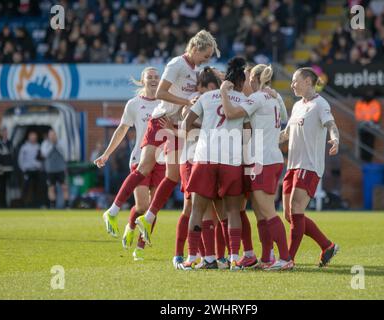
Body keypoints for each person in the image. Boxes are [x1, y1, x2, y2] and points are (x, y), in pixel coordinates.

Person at [100, 30, 220, 245]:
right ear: (194, 49)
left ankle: (148, 218)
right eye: (206, 55)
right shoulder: (177, 64)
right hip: (160, 120)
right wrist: (187, 103)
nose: (207, 59)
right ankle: (113, 210)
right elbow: (160, 94)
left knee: (172, 176)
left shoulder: (196, 69)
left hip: (173, 125)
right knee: (144, 168)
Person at [219, 64, 294, 271]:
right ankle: (267, 258)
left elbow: (231, 113)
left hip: (261, 160)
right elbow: (285, 120)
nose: (248, 81)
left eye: (250, 77)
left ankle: (285, 258)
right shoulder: (274, 98)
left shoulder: (258, 98)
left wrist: (224, 93)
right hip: (273, 158)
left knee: (267, 212)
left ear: (254, 79)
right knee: (261, 213)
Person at [179, 57, 248, 271]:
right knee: (233, 211)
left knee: (198, 210)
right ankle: (234, 259)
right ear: (240, 81)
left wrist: (206, 130)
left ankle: (194, 258)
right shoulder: (243, 100)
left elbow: (185, 124)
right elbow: (248, 131)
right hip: (231, 159)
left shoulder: (207, 97)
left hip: (205, 157)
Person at [94, 67, 166, 261]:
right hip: (140, 158)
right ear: (142, 81)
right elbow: (122, 129)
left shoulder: (166, 102)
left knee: (153, 207)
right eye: (149, 77)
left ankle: (140, 248)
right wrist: (106, 154)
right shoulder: (134, 104)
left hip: (162, 159)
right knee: (142, 206)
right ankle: (131, 225)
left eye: (156, 77)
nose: (153, 80)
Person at [280, 67, 340, 267]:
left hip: (309, 165)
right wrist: (264, 141)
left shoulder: (321, 104)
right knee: (289, 215)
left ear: (307, 81)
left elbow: (331, 125)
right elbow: (286, 134)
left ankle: (288, 259)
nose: (292, 85)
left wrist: (335, 139)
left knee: (296, 209)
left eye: (295, 81)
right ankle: (327, 245)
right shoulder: (297, 105)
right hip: (292, 166)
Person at [40, 129, 69, 209]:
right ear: (49, 136)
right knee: (51, 188)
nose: (53, 136)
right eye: (51, 135)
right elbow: (45, 154)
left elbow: (65, 153)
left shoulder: (61, 143)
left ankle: (67, 205)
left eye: (54, 135)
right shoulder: (45, 143)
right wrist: (52, 145)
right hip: (50, 169)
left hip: (60, 168)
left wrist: (56, 145)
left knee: (64, 187)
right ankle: (52, 205)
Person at [354, 91, 381, 162]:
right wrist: (363, 121)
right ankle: (363, 158)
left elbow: (377, 113)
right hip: (362, 126)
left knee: (370, 143)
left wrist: (372, 121)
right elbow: (357, 114)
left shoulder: (375, 103)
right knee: (363, 143)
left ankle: (369, 158)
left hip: (371, 126)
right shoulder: (360, 103)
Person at [18, 131, 43, 208]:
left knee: (37, 188)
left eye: (34, 137)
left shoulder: (39, 146)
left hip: (36, 170)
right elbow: (20, 159)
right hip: (27, 170)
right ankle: (23, 204)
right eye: (32, 137)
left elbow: (41, 158)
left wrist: (40, 167)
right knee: (25, 187)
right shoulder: (24, 147)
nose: (33, 138)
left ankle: (37, 204)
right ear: (29, 137)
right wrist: (23, 168)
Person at [0, 128, 14, 208]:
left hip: (8, 169)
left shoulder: (9, 142)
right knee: (0, 188)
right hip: (0, 170)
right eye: (4, 132)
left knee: (6, 189)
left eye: (6, 132)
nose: (5, 134)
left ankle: (5, 204)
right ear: (1, 133)